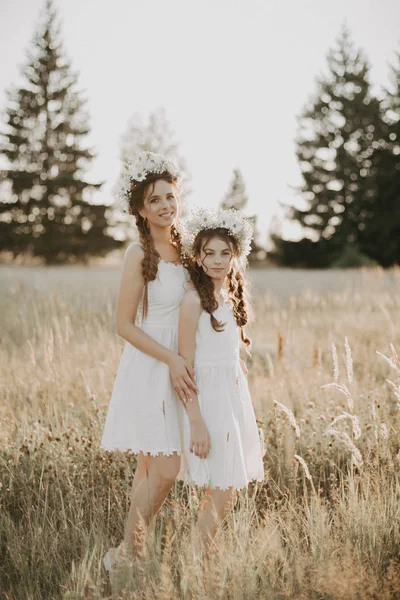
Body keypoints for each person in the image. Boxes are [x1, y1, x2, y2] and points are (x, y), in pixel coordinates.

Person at [100, 152, 197, 582]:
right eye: (153, 199)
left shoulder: (189, 247)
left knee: (149, 468)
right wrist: (171, 358)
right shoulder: (137, 253)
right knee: (166, 468)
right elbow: (123, 324)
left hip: (184, 363)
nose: (164, 205)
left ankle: (132, 560)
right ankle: (125, 555)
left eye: (169, 197)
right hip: (152, 364)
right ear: (140, 208)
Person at [178, 206, 265, 552]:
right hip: (207, 402)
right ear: (197, 257)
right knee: (225, 487)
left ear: (235, 257)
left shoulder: (229, 297)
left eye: (224, 253)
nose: (217, 260)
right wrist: (196, 421)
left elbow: (224, 344)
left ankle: (201, 552)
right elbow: (185, 366)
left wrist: (234, 363)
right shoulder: (192, 301)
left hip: (231, 396)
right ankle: (197, 557)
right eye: (209, 253)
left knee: (225, 486)